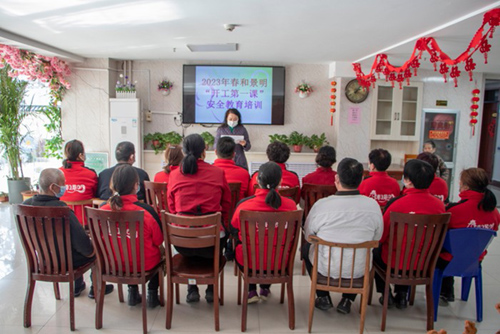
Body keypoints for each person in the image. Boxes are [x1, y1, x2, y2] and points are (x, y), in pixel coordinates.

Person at [303, 158, 383, 314]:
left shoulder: (322, 205)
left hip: (325, 268)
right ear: (361, 179)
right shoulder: (373, 206)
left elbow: (308, 235)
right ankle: (348, 299)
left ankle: (323, 296)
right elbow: (377, 238)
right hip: (359, 270)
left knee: (306, 249)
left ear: (336, 179)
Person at [23, 168, 113, 299]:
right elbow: (84, 245)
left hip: (42, 260)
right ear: (53, 187)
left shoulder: (25, 206)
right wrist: (93, 249)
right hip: (67, 261)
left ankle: (78, 285)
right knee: (94, 249)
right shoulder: (62, 210)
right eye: (63, 184)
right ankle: (96, 288)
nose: (64, 187)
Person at [167, 133, 231, 303]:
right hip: (211, 244)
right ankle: (211, 288)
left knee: (188, 233)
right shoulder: (217, 173)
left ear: (184, 151)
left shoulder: (174, 175)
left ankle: (191, 288)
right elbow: (226, 204)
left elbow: (171, 209)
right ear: (205, 150)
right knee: (221, 233)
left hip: (182, 244)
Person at [374, 159, 445, 309]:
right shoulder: (439, 206)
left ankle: (385, 293)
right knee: (412, 251)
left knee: (375, 251)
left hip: (392, 264)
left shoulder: (396, 203)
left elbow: (381, 236)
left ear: (406, 180)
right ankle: (402, 294)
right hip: (423, 266)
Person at [231, 162, 297, 303]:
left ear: (257, 181)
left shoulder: (244, 206)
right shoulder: (291, 206)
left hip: (249, 262)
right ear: (280, 182)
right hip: (280, 263)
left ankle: (251, 290)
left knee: (242, 244)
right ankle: (265, 288)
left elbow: (234, 228)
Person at [100, 164, 163, 308]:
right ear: (136, 186)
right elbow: (159, 240)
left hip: (111, 264)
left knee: (124, 252)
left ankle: (132, 292)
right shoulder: (146, 211)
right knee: (161, 254)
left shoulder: (101, 210)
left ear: (112, 185)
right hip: (143, 264)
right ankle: (152, 293)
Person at [438, 168, 500, 305]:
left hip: (448, 261)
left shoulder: (454, 211)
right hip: (475, 260)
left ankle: (443, 290)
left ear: (465, 186)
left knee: (440, 249)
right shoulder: (494, 212)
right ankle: (447, 290)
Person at [59, 139, 98, 225]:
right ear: (80, 155)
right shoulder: (91, 174)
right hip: (87, 223)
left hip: (63, 223)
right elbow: (95, 194)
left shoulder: (58, 173)